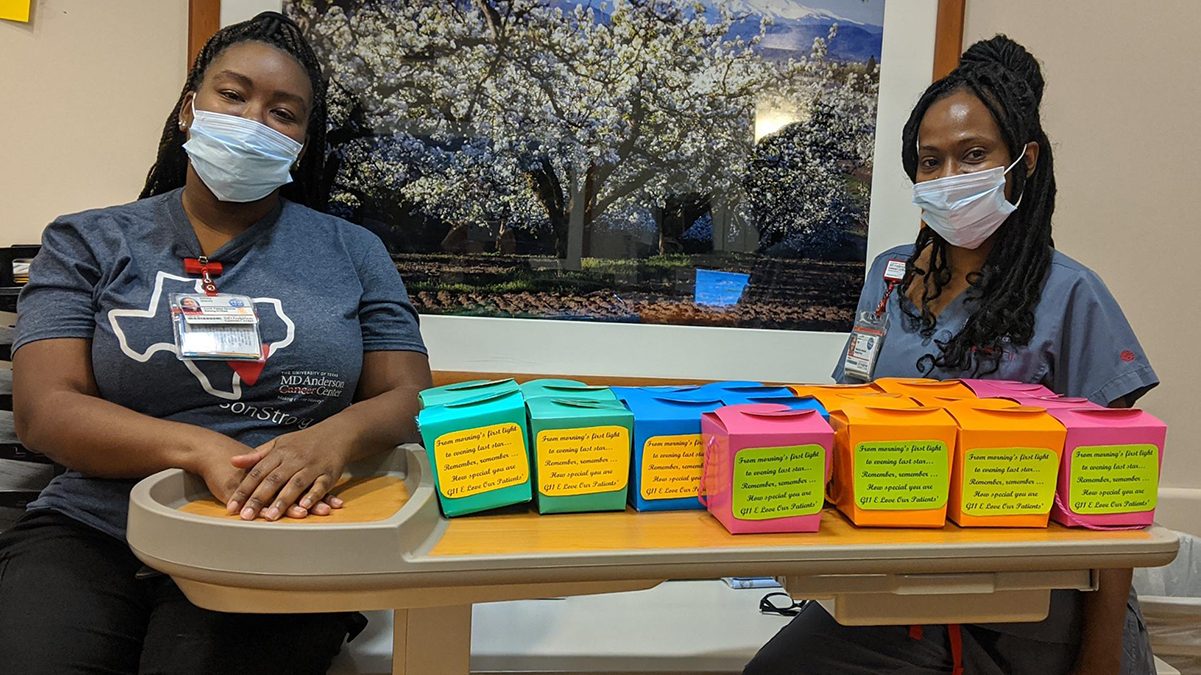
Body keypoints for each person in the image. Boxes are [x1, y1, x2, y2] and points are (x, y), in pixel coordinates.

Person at [0, 12, 432, 673]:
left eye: (283, 113)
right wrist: (204, 449)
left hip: (276, 527)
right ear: (187, 109)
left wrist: (332, 439)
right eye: (233, 96)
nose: (254, 121)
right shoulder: (87, 240)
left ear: (300, 143)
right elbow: (44, 408)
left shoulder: (353, 251)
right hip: (93, 527)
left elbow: (408, 395)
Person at [745, 35, 1158, 675]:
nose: (947, 180)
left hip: (1036, 617)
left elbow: (1119, 503)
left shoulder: (1071, 295)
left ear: (1024, 161)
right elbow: (849, 413)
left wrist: (1099, 657)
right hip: (892, 596)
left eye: (973, 156)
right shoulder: (888, 276)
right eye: (930, 161)